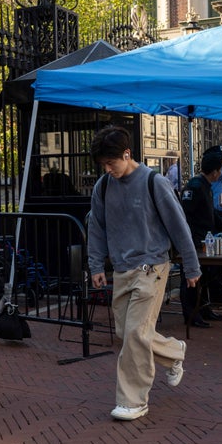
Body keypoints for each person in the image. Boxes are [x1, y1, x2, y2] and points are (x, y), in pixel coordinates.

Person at [87, 126, 201, 421]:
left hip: (153, 267)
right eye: (103, 165)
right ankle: (174, 352)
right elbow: (96, 227)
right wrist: (96, 265)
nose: (107, 169)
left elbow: (179, 226)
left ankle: (133, 400)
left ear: (127, 154)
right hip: (122, 269)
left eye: (111, 163)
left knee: (136, 333)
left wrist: (191, 266)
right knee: (126, 334)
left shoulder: (155, 182)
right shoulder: (102, 186)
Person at [179, 150, 222, 327]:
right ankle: (191, 315)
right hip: (193, 242)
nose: (221, 174)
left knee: (203, 278)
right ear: (214, 172)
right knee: (191, 280)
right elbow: (185, 215)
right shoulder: (195, 186)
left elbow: (211, 213)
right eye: (220, 170)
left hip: (204, 241)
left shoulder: (205, 186)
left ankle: (204, 308)